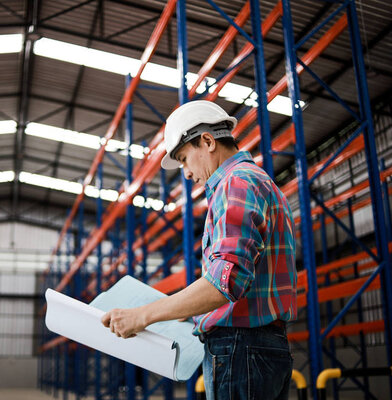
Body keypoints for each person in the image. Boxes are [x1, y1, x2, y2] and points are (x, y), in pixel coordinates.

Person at [101, 100, 297, 400]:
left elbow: (225, 282)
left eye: (183, 159)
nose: (186, 173)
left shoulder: (236, 183)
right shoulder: (257, 182)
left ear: (207, 141)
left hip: (240, 350)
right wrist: (187, 311)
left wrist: (142, 316)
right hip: (259, 349)